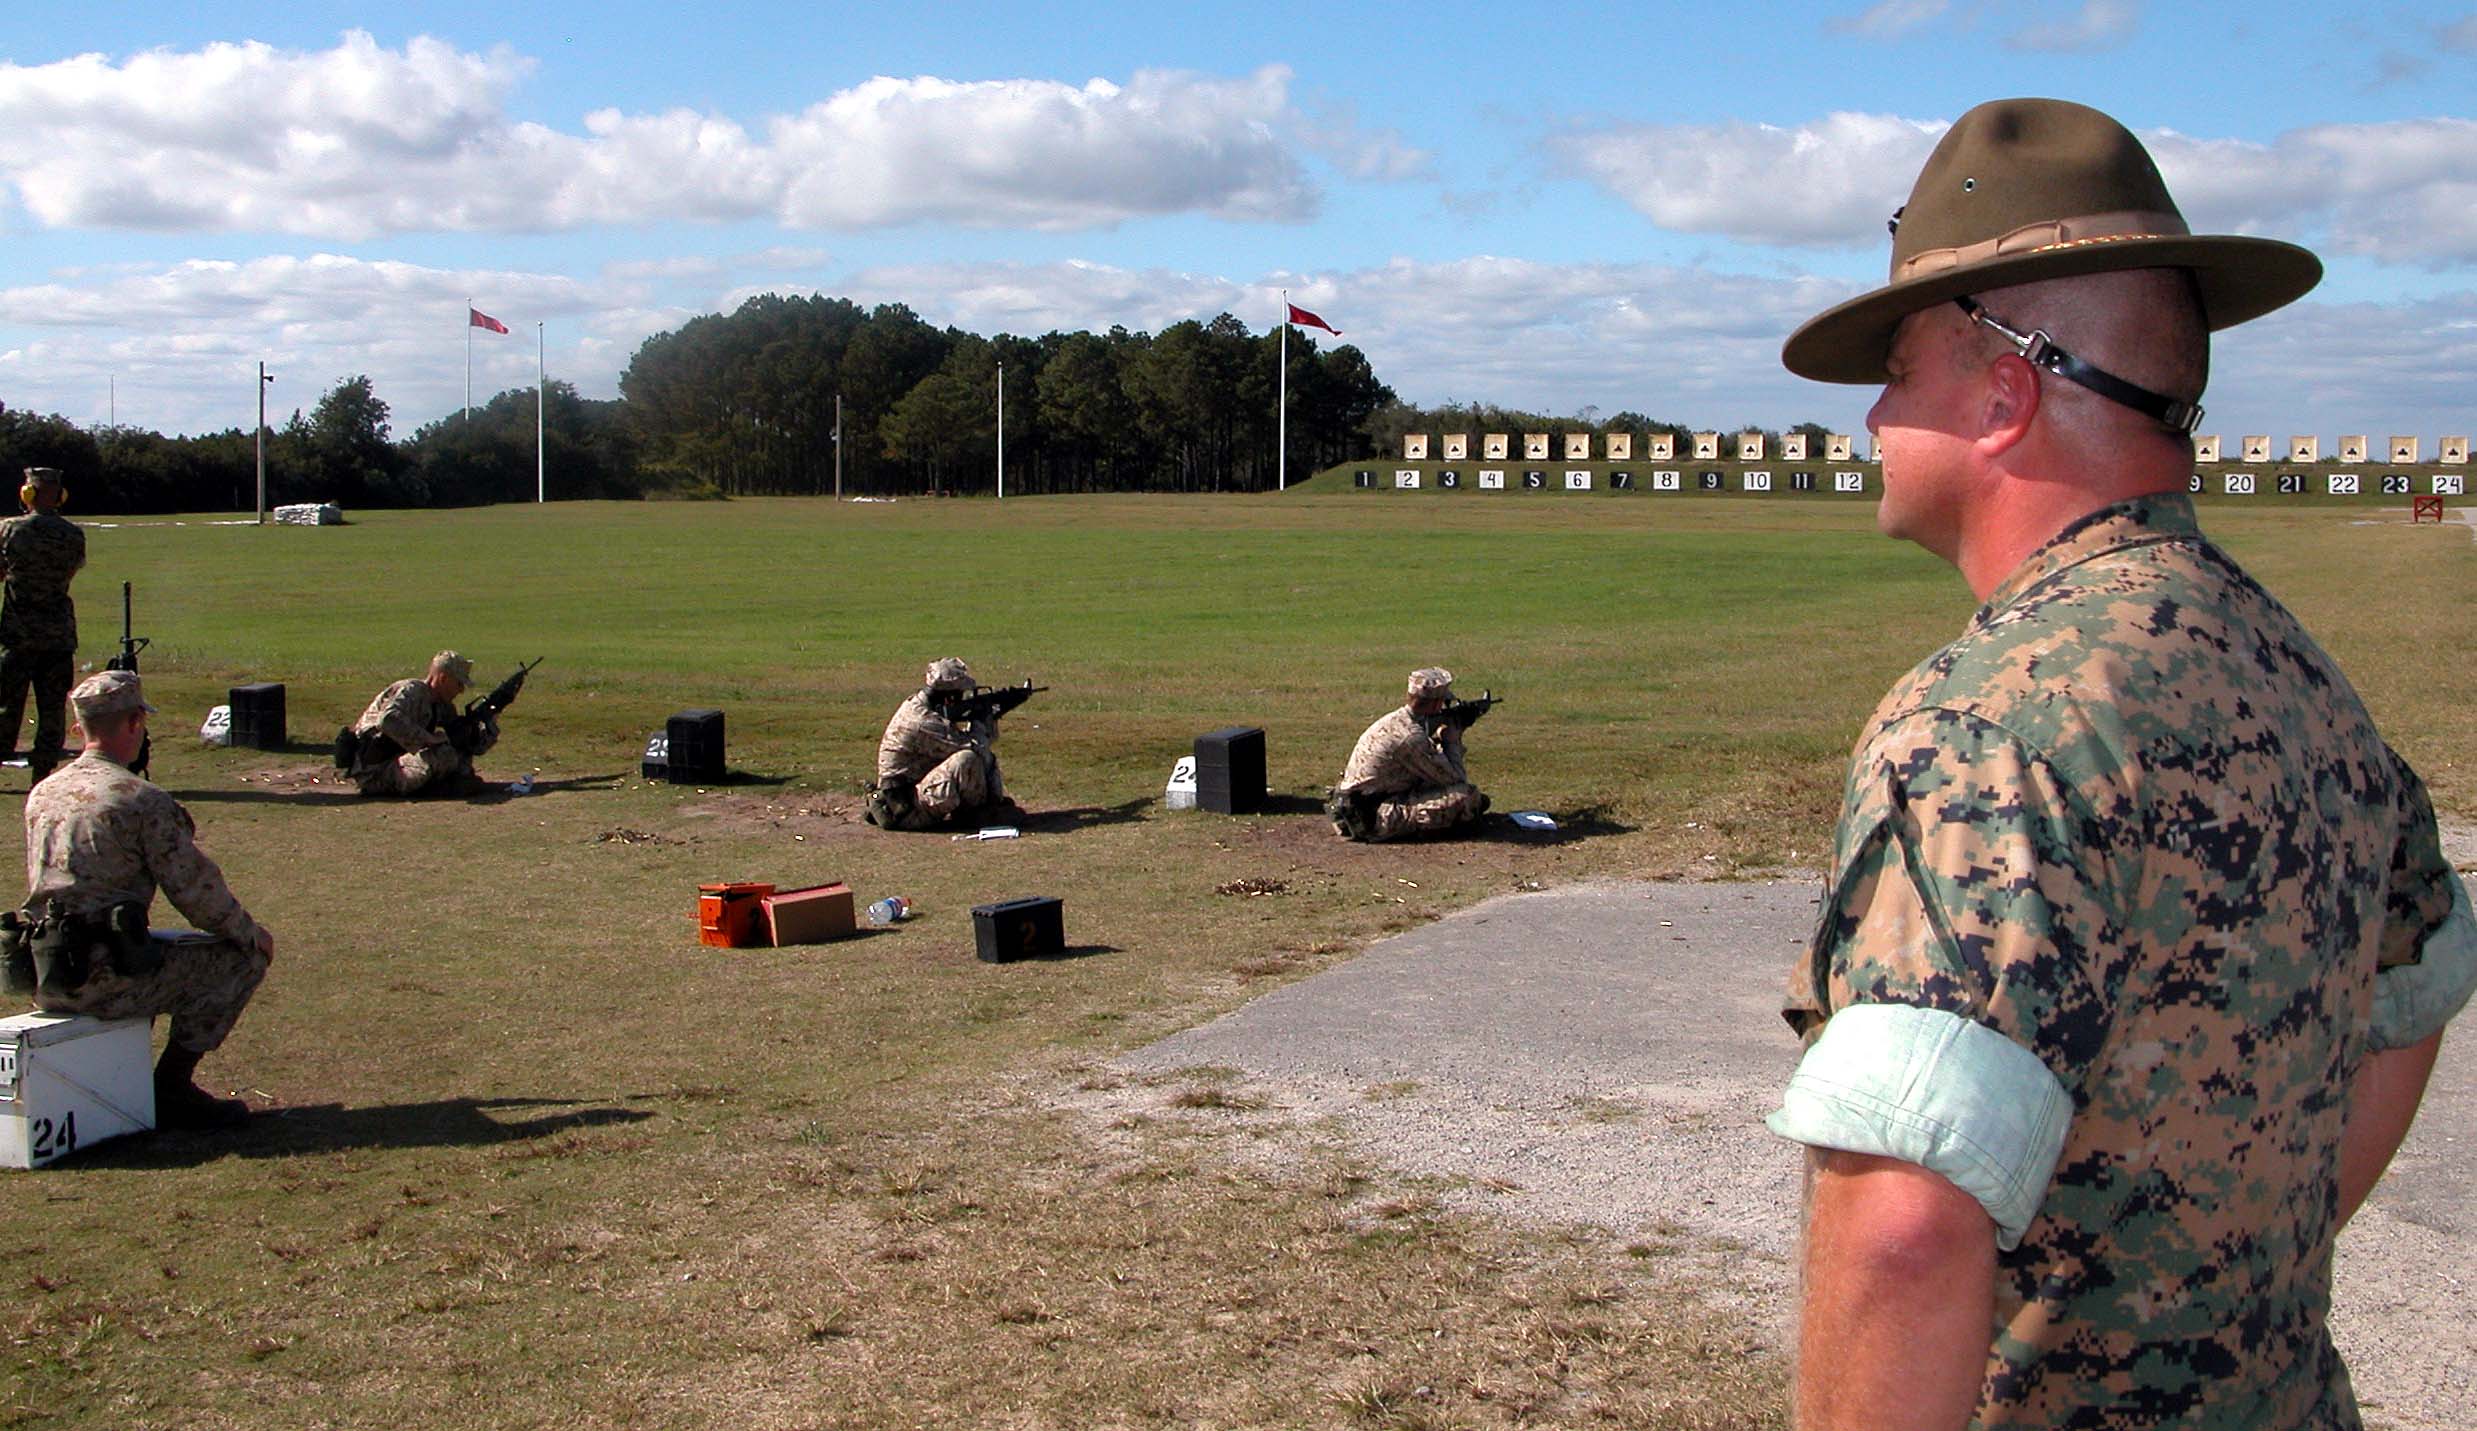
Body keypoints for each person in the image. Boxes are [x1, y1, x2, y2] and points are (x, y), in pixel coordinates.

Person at [1764, 98, 2475, 1430]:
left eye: (1899, 367)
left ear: (2001, 391)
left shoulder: (1987, 721)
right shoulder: (2296, 671)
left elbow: (1905, 1223)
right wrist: (2208, 1293)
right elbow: (2419, 982)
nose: (1867, 412)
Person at [20, 670, 275, 1130]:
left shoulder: (42, 793)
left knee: (153, 945)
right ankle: (172, 1087)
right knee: (242, 958)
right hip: (109, 975)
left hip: (46, 970)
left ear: (80, 729)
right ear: (135, 722)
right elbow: (197, 894)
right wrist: (249, 933)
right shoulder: (140, 800)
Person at [1326, 667, 1488, 842]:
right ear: (1435, 704)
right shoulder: (1410, 736)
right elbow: (1456, 779)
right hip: (1368, 818)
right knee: (1467, 797)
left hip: (1355, 805)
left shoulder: (1395, 720)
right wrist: (1452, 740)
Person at [0, 467, 87, 786]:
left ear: (28, 493)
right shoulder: (73, 534)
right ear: (60, 496)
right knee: (51, 709)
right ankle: (43, 772)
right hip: (58, 634)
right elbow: (69, 574)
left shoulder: (8, 529)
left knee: (7, 705)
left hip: (18, 634)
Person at [865, 657, 1011, 830]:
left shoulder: (922, 706)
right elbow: (975, 747)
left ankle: (991, 806)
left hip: (911, 794)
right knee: (967, 759)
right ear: (950, 696)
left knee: (978, 758)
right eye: (960, 693)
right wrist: (980, 720)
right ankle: (977, 816)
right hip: (906, 810)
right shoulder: (922, 721)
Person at [345, 650, 496, 797]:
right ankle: (435, 789)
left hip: (397, 762)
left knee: (459, 754)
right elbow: (388, 719)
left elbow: (465, 743)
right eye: (458, 683)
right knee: (443, 754)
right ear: (443, 679)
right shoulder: (411, 690)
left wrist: (488, 725)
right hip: (374, 771)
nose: (461, 690)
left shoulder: (442, 705)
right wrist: (429, 739)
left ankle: (441, 785)